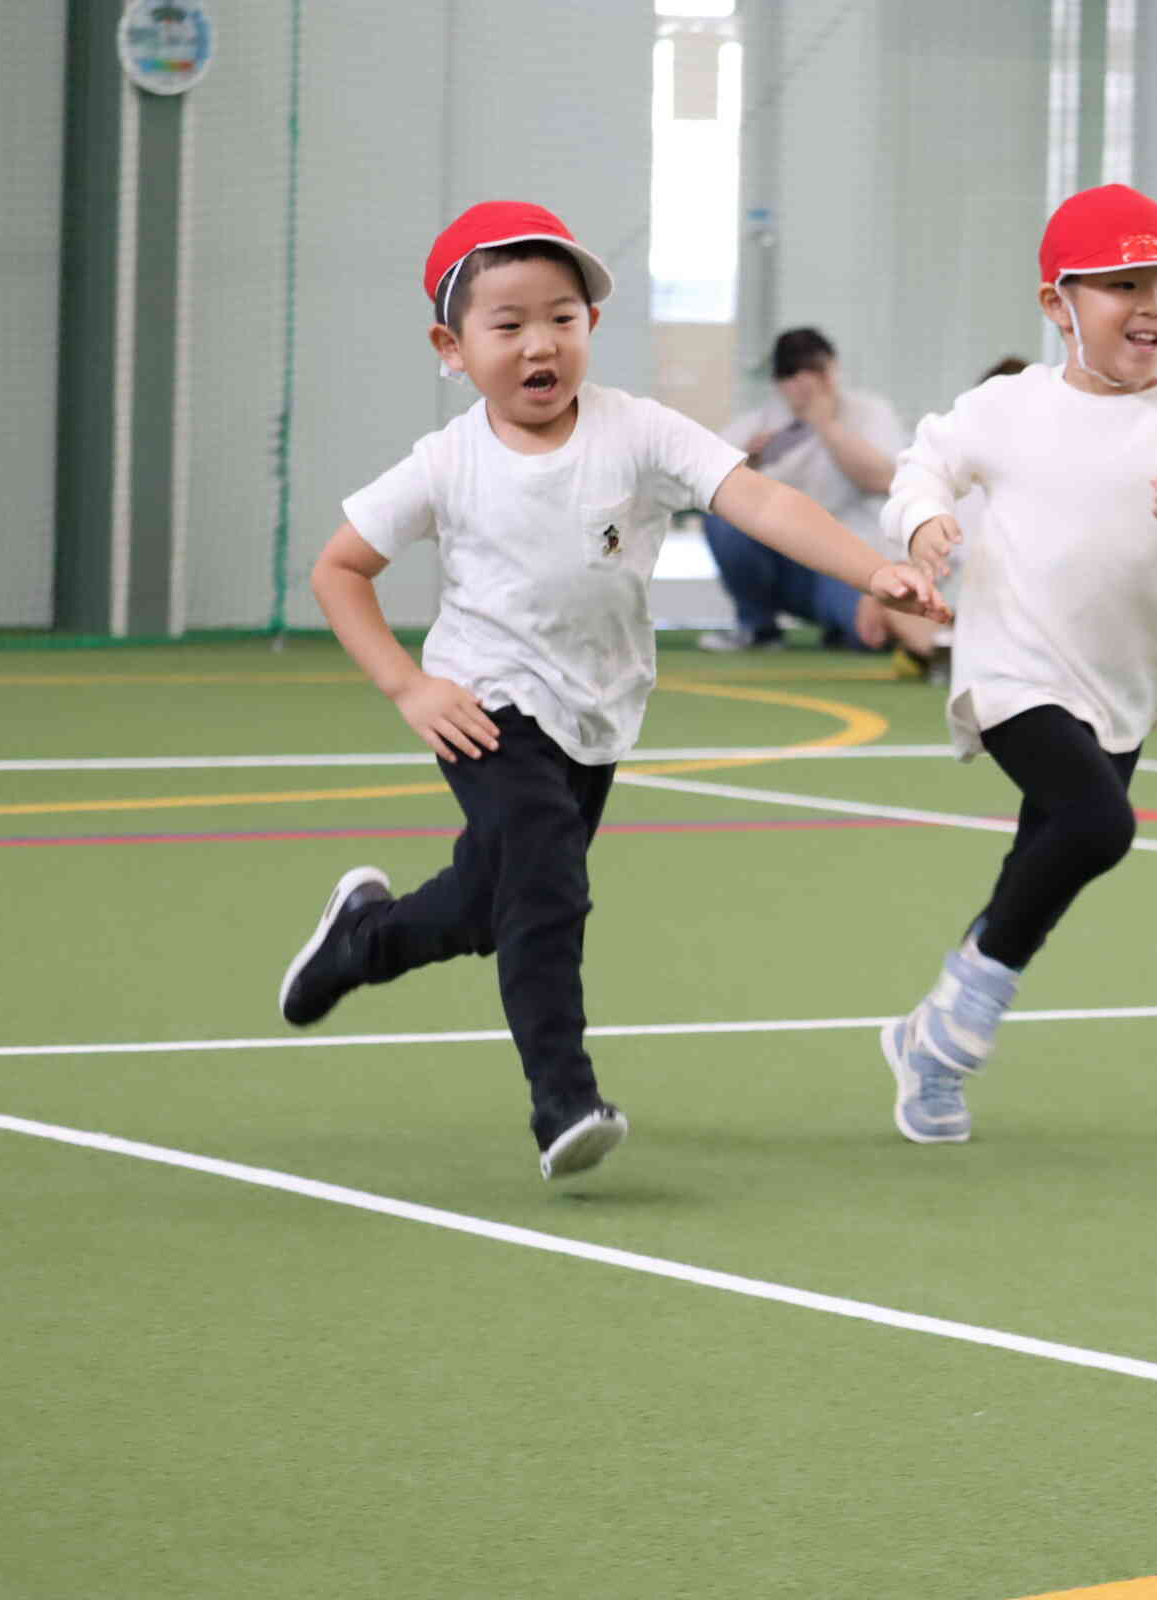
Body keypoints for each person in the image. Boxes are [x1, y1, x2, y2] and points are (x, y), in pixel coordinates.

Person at [281, 202, 947, 1180]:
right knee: (547, 878)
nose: (540, 342)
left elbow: (757, 497)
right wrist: (410, 686)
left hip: (596, 708)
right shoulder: (446, 463)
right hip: (483, 700)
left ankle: (364, 940)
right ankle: (563, 1101)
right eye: (507, 325)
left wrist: (869, 568)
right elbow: (340, 568)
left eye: (564, 315)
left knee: (489, 902)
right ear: (452, 346)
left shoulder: (636, 430)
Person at [878, 184, 1157, 1144]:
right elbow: (922, 464)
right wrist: (926, 520)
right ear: (1058, 305)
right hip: (1014, 670)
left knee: (1042, 864)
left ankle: (933, 1047)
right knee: (1099, 823)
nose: (1153, 307)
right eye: (1123, 286)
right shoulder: (1006, 408)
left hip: (1123, 687)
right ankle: (962, 1021)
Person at [702, 326, 912, 650]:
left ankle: (841, 624)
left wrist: (825, 424)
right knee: (722, 514)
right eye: (792, 373)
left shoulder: (870, 412)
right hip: (787, 562)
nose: (805, 383)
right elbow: (705, 483)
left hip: (847, 561)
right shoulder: (759, 423)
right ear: (778, 382)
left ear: (832, 369)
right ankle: (758, 627)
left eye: (814, 369)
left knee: (874, 637)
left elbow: (883, 480)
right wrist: (751, 465)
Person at [878, 355, 1029, 680]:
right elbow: (907, 573)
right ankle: (950, 654)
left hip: (1037, 622)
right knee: (894, 598)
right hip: (962, 618)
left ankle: (967, 659)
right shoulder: (949, 486)